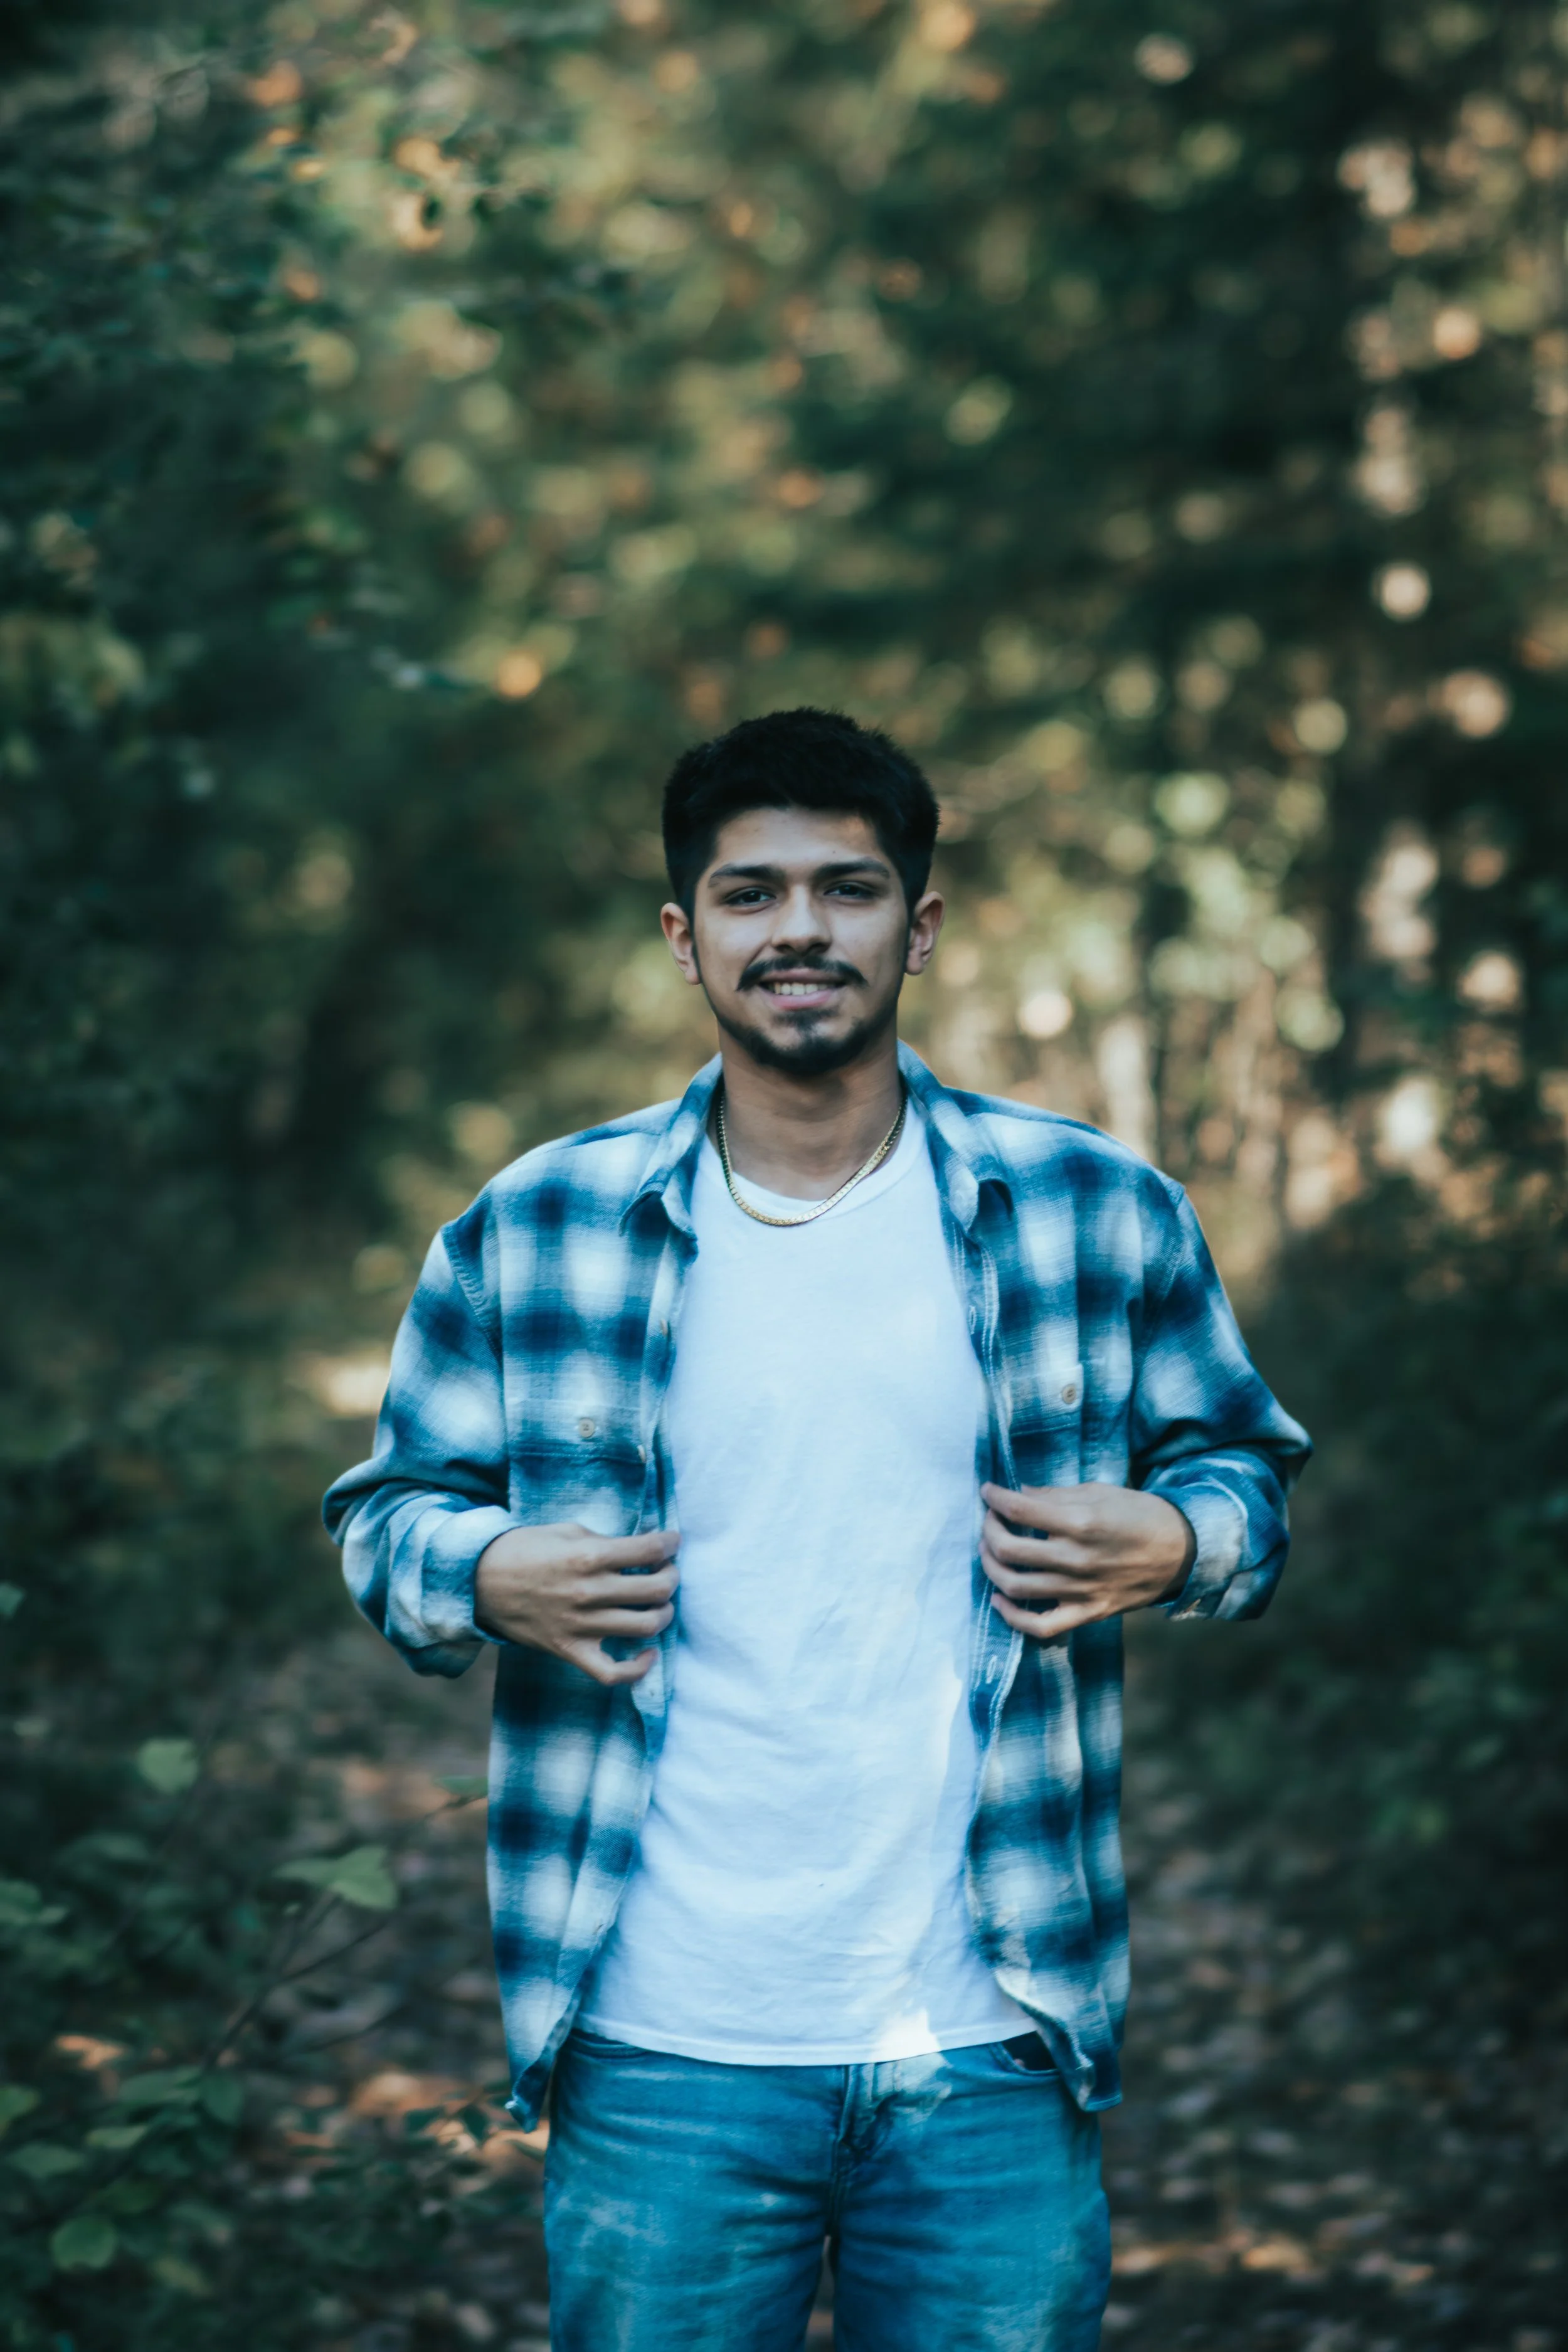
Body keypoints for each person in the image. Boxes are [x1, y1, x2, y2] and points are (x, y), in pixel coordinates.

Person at [324, 706, 1310, 2352]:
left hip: (993, 2027)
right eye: (749, 893)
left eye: (847, 890)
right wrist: (480, 1568)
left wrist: (1180, 1543)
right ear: (684, 936)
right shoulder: (533, 1223)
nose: (798, 930)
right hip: (659, 2038)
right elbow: (385, 1518)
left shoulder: (1089, 1206)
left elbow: (1243, 1480)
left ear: (916, 925)